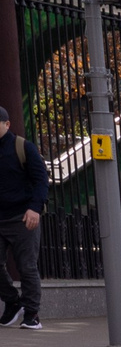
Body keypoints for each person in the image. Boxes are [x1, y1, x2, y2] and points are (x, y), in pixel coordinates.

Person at [0, 106, 44, 329]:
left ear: (7, 125)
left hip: (23, 217)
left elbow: (41, 180)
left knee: (26, 266)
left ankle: (32, 314)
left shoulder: (23, 147)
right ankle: (12, 301)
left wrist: (35, 208)